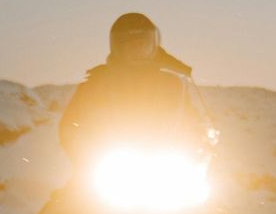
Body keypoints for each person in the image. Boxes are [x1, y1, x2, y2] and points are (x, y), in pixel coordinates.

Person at [58, 13, 211, 164]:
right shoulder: (96, 84)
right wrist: (85, 159)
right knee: (76, 189)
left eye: (143, 44)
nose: (138, 49)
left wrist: (198, 146)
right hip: (109, 165)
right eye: (132, 44)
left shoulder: (172, 84)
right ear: (119, 47)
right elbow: (70, 127)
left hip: (165, 165)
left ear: (153, 45)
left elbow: (191, 123)